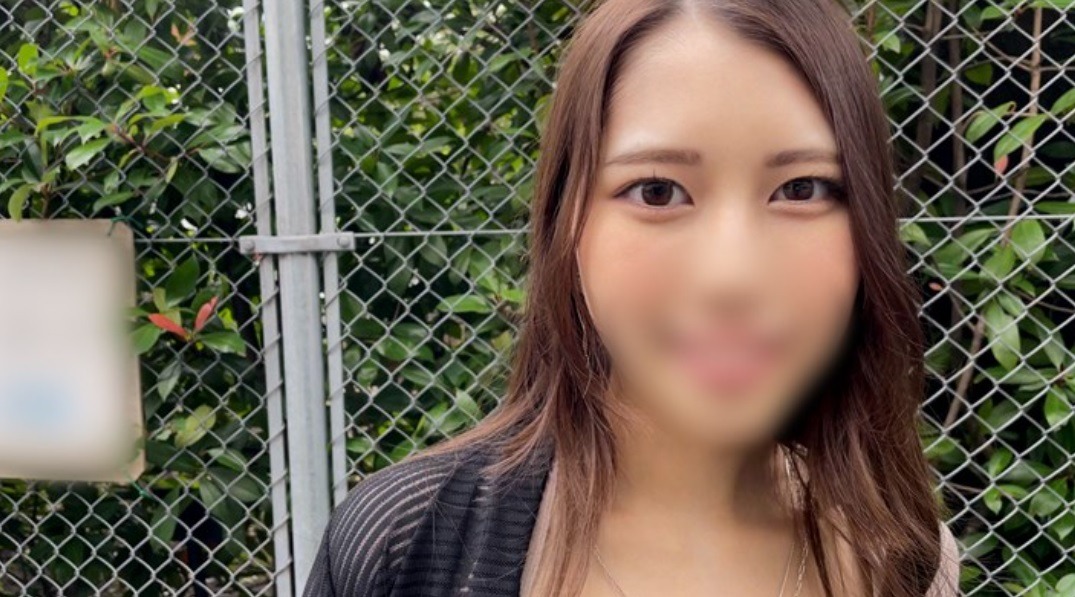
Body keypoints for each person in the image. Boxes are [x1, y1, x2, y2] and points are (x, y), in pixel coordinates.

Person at [303, 0, 963, 594]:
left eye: (801, 189)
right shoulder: (407, 542)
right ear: (568, 226)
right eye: (657, 191)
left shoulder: (905, 557)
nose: (730, 277)